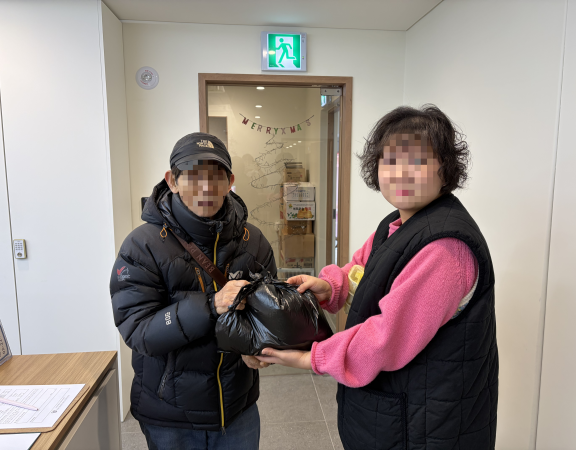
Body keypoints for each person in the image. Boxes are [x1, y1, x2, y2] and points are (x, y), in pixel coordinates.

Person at [257, 105, 498, 449]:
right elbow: (362, 269)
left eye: (418, 161)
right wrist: (331, 286)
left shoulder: (445, 248)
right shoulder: (397, 224)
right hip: (397, 412)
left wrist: (313, 357)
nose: (402, 173)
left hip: (426, 425)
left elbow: (386, 337)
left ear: (445, 168)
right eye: (391, 160)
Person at [110, 132, 277, 450]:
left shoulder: (253, 241)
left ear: (230, 182)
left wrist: (258, 346)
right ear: (172, 181)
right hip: (169, 416)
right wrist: (211, 305)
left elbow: (266, 315)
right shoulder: (142, 245)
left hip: (236, 409)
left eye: (215, 176)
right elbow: (140, 331)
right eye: (193, 175)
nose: (205, 187)